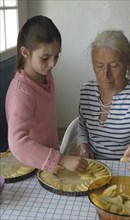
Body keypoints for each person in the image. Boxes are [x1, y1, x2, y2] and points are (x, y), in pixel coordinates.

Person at [5, 15, 88, 174]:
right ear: (25, 52)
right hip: (25, 167)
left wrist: (57, 157)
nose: (52, 64)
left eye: (56, 55)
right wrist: (61, 159)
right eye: (45, 58)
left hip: (47, 164)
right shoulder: (21, 92)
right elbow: (17, 143)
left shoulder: (46, 75)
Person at [76, 30, 130, 175]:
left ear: (128, 63)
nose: (105, 75)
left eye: (114, 65)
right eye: (99, 65)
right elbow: (82, 126)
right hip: (94, 170)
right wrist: (82, 145)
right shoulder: (86, 91)